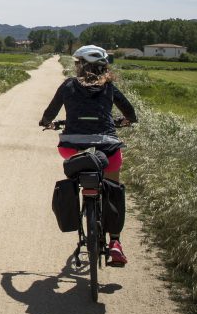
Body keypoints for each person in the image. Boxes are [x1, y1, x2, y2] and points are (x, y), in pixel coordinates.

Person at [39, 45, 137, 266]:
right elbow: (130, 113)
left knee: (76, 171)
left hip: (72, 147)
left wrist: (47, 123)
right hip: (107, 148)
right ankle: (115, 243)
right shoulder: (109, 87)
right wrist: (124, 121)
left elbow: (49, 113)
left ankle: (77, 192)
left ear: (80, 65)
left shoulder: (68, 85)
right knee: (113, 188)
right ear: (103, 67)